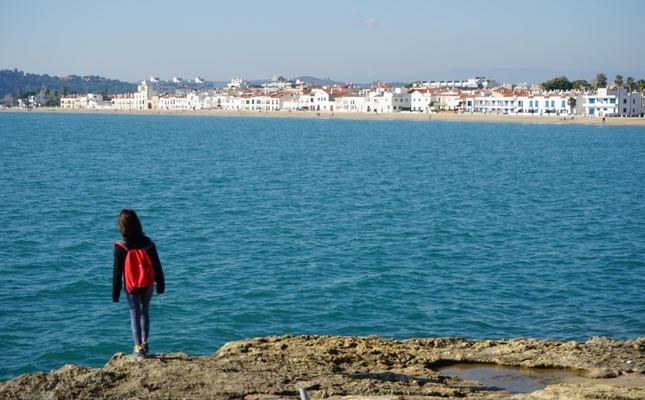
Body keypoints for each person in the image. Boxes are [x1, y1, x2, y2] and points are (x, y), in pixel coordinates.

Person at [112, 209, 165, 360]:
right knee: (145, 312)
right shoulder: (148, 243)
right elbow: (157, 266)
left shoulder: (120, 247)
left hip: (132, 287)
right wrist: (161, 285)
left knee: (134, 315)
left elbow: (117, 274)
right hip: (148, 285)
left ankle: (137, 349)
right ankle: (145, 344)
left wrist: (115, 294)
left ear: (121, 227)